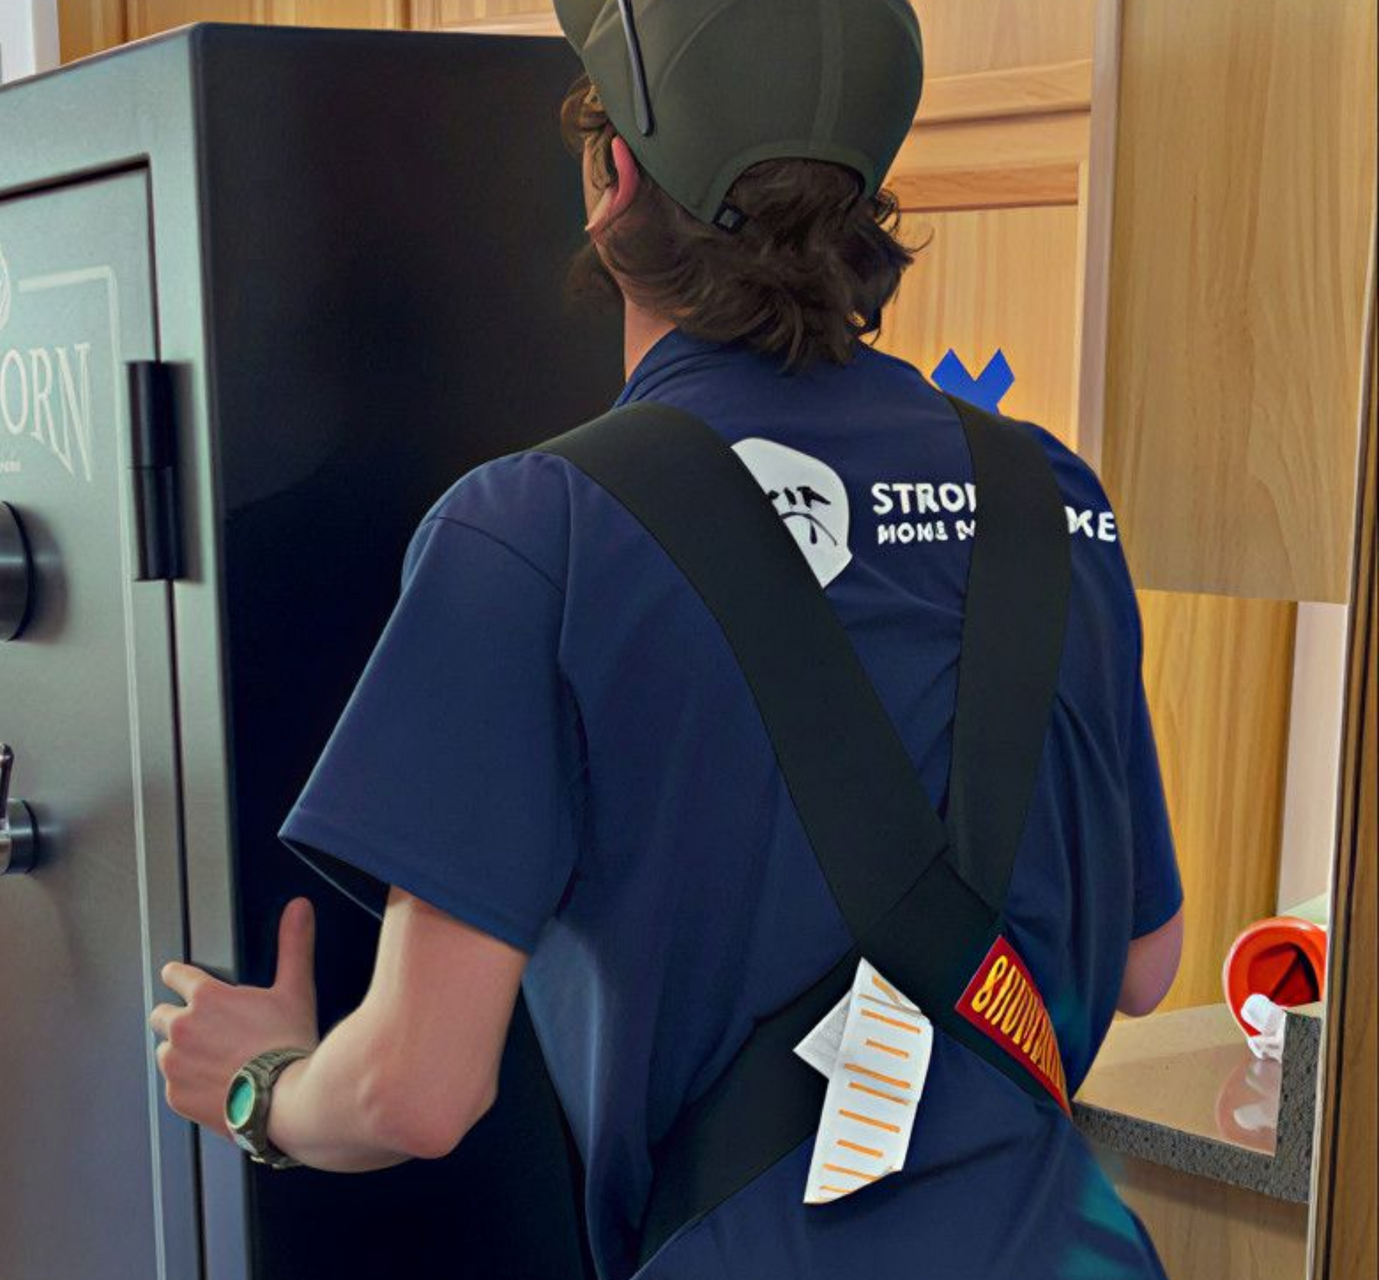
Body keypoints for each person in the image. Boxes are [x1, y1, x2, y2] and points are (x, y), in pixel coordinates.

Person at [148, 2, 1185, 1277]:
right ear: (863, 200)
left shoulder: (534, 527)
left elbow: (417, 1089)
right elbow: (1145, 961)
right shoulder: (1054, 493)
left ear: (610, 178)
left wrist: (259, 1083)